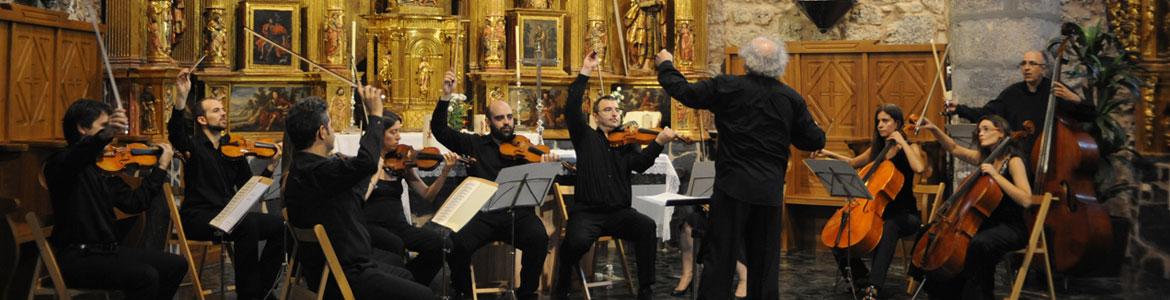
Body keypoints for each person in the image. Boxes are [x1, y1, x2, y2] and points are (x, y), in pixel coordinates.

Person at [656, 36, 827, 299]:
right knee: (765, 262)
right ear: (780, 64)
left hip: (732, 187)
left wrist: (666, 65)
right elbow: (813, 139)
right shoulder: (790, 98)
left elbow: (685, 93)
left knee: (720, 256)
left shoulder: (728, 86)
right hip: (768, 191)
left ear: (747, 61)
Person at [284, 87, 434, 300]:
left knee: (404, 273)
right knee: (425, 295)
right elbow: (366, 163)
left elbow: (350, 198)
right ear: (321, 132)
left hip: (328, 269)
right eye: (331, 125)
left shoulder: (302, 170)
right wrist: (375, 116)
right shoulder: (321, 171)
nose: (333, 130)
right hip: (346, 274)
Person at [429, 71, 556, 300]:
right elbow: (440, 131)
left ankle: (527, 294)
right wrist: (445, 96)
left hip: (518, 214)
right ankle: (464, 293)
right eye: (500, 118)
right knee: (458, 244)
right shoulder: (474, 143)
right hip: (483, 215)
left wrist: (547, 167)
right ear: (488, 122)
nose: (506, 122)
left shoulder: (525, 147)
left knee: (538, 238)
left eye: (509, 117)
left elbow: (540, 182)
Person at [552, 52, 667, 300]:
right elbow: (572, 108)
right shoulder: (585, 137)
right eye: (608, 109)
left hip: (619, 213)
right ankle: (562, 282)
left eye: (617, 109)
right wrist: (585, 71)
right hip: (588, 212)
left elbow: (641, 165)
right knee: (576, 242)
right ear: (595, 116)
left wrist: (658, 142)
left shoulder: (628, 141)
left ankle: (646, 289)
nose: (615, 113)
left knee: (646, 227)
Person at [45, 99, 187, 299]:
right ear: (82, 128)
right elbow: (78, 155)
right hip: (78, 257)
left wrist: (160, 169)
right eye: (102, 127)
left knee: (176, 264)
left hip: (108, 252)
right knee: (146, 276)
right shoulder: (60, 163)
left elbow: (135, 203)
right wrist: (108, 133)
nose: (110, 139)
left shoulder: (104, 170)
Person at [169, 69, 285, 300]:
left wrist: (270, 167)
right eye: (216, 110)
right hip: (200, 217)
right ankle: (249, 295)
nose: (223, 113)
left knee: (280, 226)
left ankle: (262, 288)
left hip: (228, 216)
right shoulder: (193, 147)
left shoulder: (233, 149)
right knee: (247, 226)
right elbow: (176, 134)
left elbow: (246, 188)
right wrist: (181, 100)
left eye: (222, 109)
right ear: (202, 120)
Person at [815, 104, 927, 299]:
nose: (880, 125)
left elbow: (919, 168)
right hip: (876, 211)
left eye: (885, 121)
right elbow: (852, 163)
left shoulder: (912, 147)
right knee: (840, 228)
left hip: (905, 215)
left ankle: (874, 287)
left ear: (897, 123)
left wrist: (902, 141)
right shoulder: (878, 149)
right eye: (878, 122)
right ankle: (860, 279)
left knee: (889, 227)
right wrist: (827, 153)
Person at [917, 116, 1032, 299]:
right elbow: (954, 148)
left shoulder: (1013, 161)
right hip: (985, 224)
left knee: (979, 243)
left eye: (986, 129)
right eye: (979, 130)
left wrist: (996, 175)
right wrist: (934, 129)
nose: (980, 134)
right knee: (933, 233)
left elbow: (1026, 199)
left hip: (1011, 227)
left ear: (1001, 132)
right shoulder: (986, 158)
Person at [363, 110, 460, 285]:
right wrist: (377, 165)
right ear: (378, 134)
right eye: (393, 132)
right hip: (371, 226)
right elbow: (360, 197)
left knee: (442, 244)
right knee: (395, 245)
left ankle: (413, 284)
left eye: (399, 131)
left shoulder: (402, 163)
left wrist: (445, 172)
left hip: (399, 226)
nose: (399, 137)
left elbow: (427, 195)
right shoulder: (366, 162)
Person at [945, 50, 1095, 157]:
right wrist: (959, 109)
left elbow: (1089, 115)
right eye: (1023, 64)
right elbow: (987, 113)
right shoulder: (1012, 93)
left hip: (1053, 159)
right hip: (1022, 158)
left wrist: (1074, 98)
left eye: (1032, 64)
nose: (1026, 68)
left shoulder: (1056, 90)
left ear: (1043, 69)